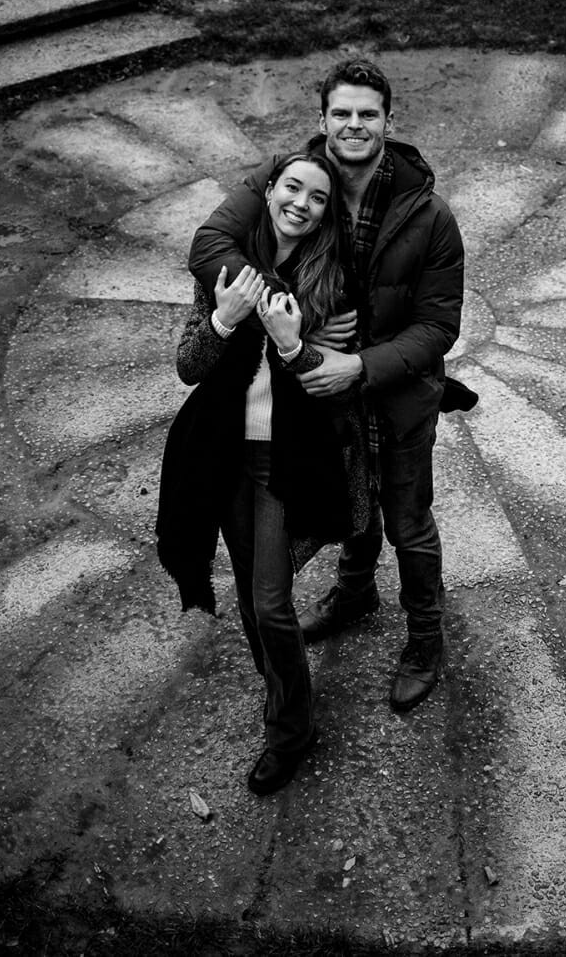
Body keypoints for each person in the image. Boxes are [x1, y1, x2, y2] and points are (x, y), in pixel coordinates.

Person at [189, 58, 464, 713]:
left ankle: (425, 639)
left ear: (388, 122)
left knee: (408, 520)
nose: (353, 125)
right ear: (322, 119)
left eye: (367, 113)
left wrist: (360, 367)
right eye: (341, 112)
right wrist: (279, 309)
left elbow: (438, 327)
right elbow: (210, 243)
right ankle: (355, 589)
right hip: (315, 389)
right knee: (348, 502)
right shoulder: (292, 176)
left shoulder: (429, 216)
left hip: (396, 396)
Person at [155, 153, 371, 796]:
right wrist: (223, 318)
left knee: (272, 604)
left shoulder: (332, 281)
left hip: (286, 459)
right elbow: (189, 368)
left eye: (317, 197)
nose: (301, 204)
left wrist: (288, 341)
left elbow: (333, 388)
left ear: (327, 213)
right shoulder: (228, 269)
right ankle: (285, 700)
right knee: (253, 598)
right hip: (224, 454)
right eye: (292, 188)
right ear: (270, 191)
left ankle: (290, 730)